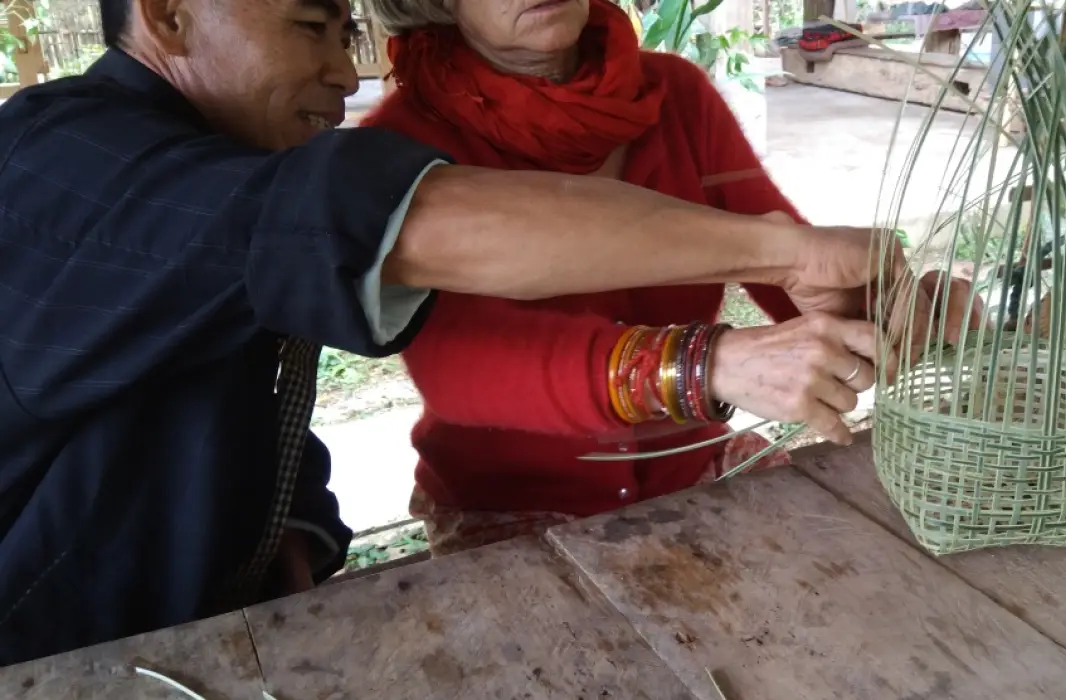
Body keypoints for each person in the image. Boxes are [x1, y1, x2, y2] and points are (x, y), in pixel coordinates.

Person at [0, 0, 904, 666]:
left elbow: (236, 396)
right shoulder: (71, 160)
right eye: (311, 29)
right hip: (69, 657)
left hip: (688, 498)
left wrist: (294, 531)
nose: (345, 73)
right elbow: (428, 272)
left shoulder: (675, 93)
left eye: (343, 36)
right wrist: (733, 329)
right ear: (168, 15)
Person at [357, 0, 901, 554]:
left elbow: (795, 270)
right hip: (509, 504)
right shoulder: (402, 146)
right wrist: (702, 365)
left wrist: (881, 311)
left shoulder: (675, 96)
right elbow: (461, 365)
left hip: (688, 472)